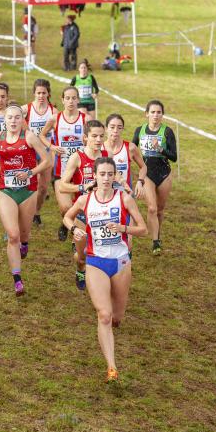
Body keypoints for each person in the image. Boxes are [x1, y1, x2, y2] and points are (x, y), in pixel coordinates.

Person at [63, 157, 148, 382]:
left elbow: (143, 229)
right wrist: (74, 229)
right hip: (95, 261)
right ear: (95, 176)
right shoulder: (85, 200)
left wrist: (123, 228)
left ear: (114, 176)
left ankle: (112, 334)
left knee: (117, 317)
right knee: (104, 315)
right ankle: (111, 367)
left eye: (111, 174)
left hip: (120, 262)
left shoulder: (124, 199)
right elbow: (67, 216)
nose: (107, 179)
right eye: (102, 174)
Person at [0, 104, 51, 296]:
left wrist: (30, 173)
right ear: (4, 120)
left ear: (22, 119)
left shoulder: (30, 137)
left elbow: (47, 160)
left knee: (23, 236)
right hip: (6, 190)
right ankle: (17, 279)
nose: (14, 121)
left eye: (17, 117)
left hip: (28, 191)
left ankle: (24, 245)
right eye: (10, 118)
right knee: (13, 235)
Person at [59, 120, 108, 291]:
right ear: (86, 138)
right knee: (82, 256)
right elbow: (62, 186)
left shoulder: (107, 157)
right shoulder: (77, 158)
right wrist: (82, 187)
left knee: (102, 252)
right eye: (94, 136)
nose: (98, 140)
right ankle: (80, 269)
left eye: (101, 136)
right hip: (81, 214)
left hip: (103, 213)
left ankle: (101, 283)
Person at [39, 86, 86, 242]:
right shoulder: (55, 119)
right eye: (68, 98)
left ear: (78, 100)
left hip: (81, 170)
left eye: (74, 98)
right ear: (62, 100)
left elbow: (95, 138)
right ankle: (65, 222)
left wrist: (88, 142)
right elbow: (42, 135)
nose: (71, 101)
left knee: (81, 207)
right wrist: (52, 147)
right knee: (65, 207)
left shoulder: (86, 119)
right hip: (61, 170)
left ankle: (75, 239)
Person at [132, 100, 177, 255]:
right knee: (152, 208)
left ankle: (157, 233)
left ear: (162, 115)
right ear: (147, 114)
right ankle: (155, 241)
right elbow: (131, 149)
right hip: (147, 173)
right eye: (153, 112)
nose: (156, 115)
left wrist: (161, 149)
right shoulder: (140, 130)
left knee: (160, 210)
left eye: (159, 112)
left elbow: (174, 156)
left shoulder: (167, 132)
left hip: (164, 173)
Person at [25, 79, 55, 226]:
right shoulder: (27, 109)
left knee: (43, 188)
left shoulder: (53, 111)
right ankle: (27, 214)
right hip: (30, 150)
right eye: (38, 93)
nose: (41, 95)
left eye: (44, 92)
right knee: (32, 185)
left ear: (48, 93)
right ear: (34, 93)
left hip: (46, 150)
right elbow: (10, 115)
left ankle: (36, 211)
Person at [104, 113, 146, 195]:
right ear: (106, 128)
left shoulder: (130, 148)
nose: (115, 131)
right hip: (104, 196)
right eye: (112, 127)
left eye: (119, 127)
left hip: (125, 194)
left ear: (122, 129)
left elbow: (143, 167)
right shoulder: (99, 148)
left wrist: (140, 181)